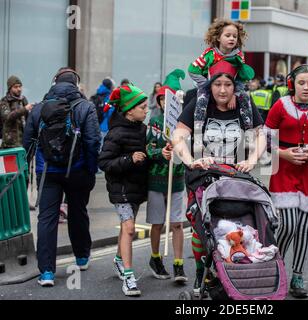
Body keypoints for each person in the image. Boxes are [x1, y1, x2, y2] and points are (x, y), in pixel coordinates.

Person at [172, 60, 265, 297]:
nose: (222, 90)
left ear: (235, 87)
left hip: (235, 176)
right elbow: (179, 135)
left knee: (237, 227)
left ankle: (235, 272)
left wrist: (252, 160)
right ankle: (201, 271)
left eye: (228, 85)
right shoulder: (198, 104)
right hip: (202, 176)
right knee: (201, 230)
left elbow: (260, 135)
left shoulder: (244, 105)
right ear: (210, 86)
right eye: (218, 84)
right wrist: (190, 160)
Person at [23, 68, 101, 287]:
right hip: (77, 170)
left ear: (54, 82)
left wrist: (27, 170)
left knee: (46, 218)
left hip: (47, 171)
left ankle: (46, 272)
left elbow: (27, 142)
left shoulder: (38, 108)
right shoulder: (85, 107)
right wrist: (91, 169)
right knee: (78, 212)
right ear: (76, 85)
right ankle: (82, 256)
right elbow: (93, 141)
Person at [265, 65, 308, 299]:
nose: (306, 87)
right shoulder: (280, 105)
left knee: (303, 228)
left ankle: (297, 275)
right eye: (301, 83)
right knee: (289, 224)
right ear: (292, 84)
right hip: (283, 169)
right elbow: (264, 139)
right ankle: (277, 268)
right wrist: (282, 153)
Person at [98, 84, 149, 297]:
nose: (146, 111)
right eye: (143, 108)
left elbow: (146, 156)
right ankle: (128, 277)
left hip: (137, 186)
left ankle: (119, 260)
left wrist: (159, 153)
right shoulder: (115, 133)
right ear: (130, 110)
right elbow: (104, 162)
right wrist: (129, 159)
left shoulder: (142, 129)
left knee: (125, 228)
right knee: (129, 229)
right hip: (121, 189)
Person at [146, 70, 188, 283]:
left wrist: (182, 149)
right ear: (159, 102)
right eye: (161, 99)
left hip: (178, 180)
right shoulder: (154, 122)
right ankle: (155, 259)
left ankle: (178, 265)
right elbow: (148, 149)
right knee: (157, 223)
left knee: (177, 224)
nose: (164, 103)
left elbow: (190, 150)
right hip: (156, 180)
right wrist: (159, 153)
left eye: (168, 99)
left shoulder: (185, 124)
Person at [188, 18, 254, 114]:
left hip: (231, 89)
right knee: (201, 98)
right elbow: (192, 70)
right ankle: (198, 125)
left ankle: (248, 126)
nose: (232, 38)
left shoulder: (239, 57)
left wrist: (235, 94)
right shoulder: (209, 54)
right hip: (209, 87)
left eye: (235, 36)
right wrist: (207, 85)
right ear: (218, 38)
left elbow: (242, 78)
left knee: (246, 97)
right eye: (227, 35)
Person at [0, 76, 33, 149]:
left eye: (20, 86)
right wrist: (24, 109)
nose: (19, 89)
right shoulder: (4, 101)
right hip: (10, 144)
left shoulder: (23, 99)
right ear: (10, 88)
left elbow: (28, 119)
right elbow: (7, 117)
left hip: (24, 142)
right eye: (15, 87)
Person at [90, 78, 115, 148]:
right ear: (110, 86)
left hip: (95, 126)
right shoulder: (109, 96)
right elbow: (110, 113)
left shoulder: (97, 94)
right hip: (105, 127)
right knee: (103, 148)